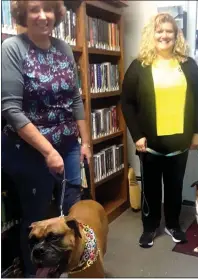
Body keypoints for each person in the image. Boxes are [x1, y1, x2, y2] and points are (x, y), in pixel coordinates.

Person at [1, 1, 91, 277]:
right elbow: (10, 109)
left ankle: (73, 270)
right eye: (35, 10)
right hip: (29, 150)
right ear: (23, 15)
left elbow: (75, 98)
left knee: (72, 214)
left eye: (49, 9)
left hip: (68, 146)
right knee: (37, 222)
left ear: (57, 14)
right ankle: (34, 274)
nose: (43, 16)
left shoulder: (63, 48)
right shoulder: (12, 49)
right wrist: (48, 151)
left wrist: (85, 142)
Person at [121, 13, 198, 248]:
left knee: (174, 187)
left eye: (169, 31)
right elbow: (126, 102)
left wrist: (196, 133)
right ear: (152, 34)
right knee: (150, 188)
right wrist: (137, 135)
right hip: (149, 143)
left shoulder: (188, 65)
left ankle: (173, 224)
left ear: (176, 35)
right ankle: (149, 228)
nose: (164, 35)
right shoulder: (140, 65)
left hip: (180, 141)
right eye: (160, 31)